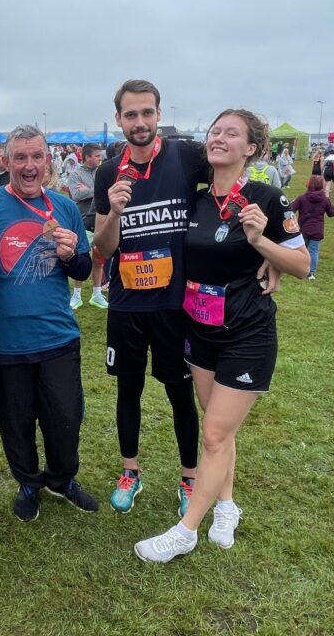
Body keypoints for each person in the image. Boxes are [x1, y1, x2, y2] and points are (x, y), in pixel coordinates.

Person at [134, 109, 308, 563]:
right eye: (215, 131)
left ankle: (186, 530)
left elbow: (303, 265)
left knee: (212, 434)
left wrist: (261, 244)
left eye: (232, 133)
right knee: (218, 429)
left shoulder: (267, 199)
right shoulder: (195, 201)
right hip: (200, 329)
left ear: (251, 148)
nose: (219, 138)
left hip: (247, 333)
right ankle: (227, 505)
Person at [92, 80, 204, 518]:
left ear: (159, 114)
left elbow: (232, 188)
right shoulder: (108, 172)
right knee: (128, 390)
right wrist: (117, 211)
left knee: (180, 393)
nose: (139, 123)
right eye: (130, 115)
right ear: (118, 119)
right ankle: (130, 472)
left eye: (147, 113)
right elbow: (102, 246)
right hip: (127, 305)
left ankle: (190, 479)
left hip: (176, 304)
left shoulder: (186, 156)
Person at [0, 125, 96, 522]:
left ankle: (61, 479)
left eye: (36, 157)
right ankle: (28, 482)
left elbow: (83, 266)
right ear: (5, 162)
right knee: (15, 421)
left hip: (57, 336)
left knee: (65, 417)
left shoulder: (64, 206)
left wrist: (69, 257)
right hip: (5, 340)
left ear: (48, 161)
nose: (29, 166)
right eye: (20, 158)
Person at [65, 143, 107, 309]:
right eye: (97, 156)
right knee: (82, 258)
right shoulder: (75, 175)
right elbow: (76, 195)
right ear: (88, 157)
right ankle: (76, 295)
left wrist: (89, 189)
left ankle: (97, 294)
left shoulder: (102, 172)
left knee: (99, 259)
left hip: (101, 221)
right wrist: (97, 190)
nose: (100, 158)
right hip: (82, 222)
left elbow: (106, 192)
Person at [291, 175, 334, 280]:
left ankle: (299, 269)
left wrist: (292, 203)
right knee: (314, 251)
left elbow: (291, 209)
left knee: (302, 250)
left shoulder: (302, 198)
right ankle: (311, 272)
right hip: (317, 230)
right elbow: (332, 213)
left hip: (303, 228)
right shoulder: (325, 200)